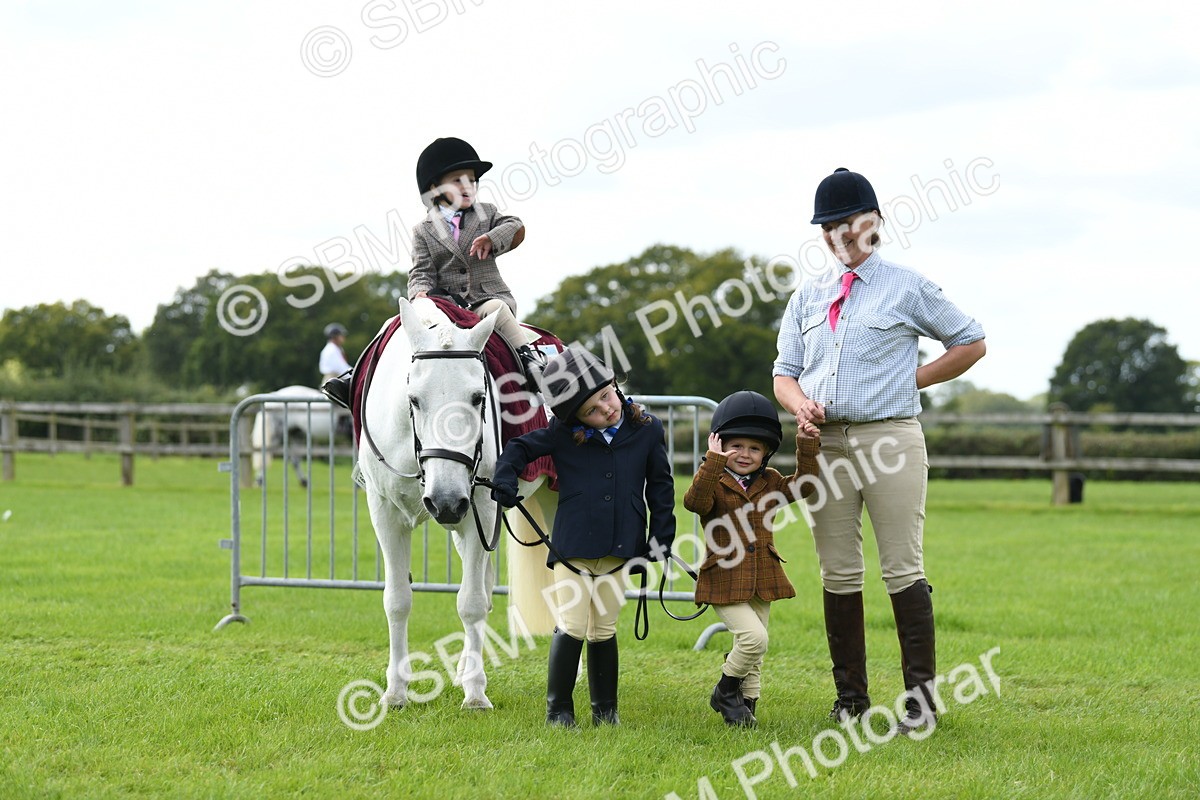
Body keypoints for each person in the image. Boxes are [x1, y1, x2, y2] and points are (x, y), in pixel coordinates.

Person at [772, 167, 986, 736]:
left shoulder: (907, 285)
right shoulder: (808, 296)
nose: (839, 235)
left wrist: (911, 379)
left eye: (848, 223)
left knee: (901, 567)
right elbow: (784, 373)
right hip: (826, 444)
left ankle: (920, 702)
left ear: (873, 224)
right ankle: (851, 699)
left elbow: (971, 341)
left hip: (889, 437)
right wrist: (798, 406)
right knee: (838, 570)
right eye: (828, 228)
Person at [490, 346, 676, 727]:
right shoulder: (562, 434)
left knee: (604, 628)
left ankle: (605, 710)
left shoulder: (647, 430)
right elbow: (520, 447)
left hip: (621, 545)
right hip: (572, 546)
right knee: (573, 624)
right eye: (592, 410)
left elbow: (661, 486)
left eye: (607, 396)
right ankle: (558, 710)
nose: (606, 409)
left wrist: (662, 536)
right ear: (575, 417)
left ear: (614, 385)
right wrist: (505, 477)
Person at [321, 136, 542, 409]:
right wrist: (420, 292)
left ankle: (530, 361)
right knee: (394, 323)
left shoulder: (487, 213)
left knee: (497, 309)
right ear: (435, 188)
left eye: (472, 181)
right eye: (458, 181)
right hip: (445, 305)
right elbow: (420, 271)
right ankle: (358, 377)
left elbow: (514, 224)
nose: (468, 187)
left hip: (483, 299)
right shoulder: (423, 230)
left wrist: (492, 239)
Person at [684, 390, 822, 728]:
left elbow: (805, 486)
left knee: (756, 652)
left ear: (767, 452)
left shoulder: (771, 481)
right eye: (736, 446)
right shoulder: (713, 480)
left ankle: (744, 710)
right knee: (754, 639)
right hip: (724, 578)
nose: (745, 454)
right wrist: (712, 461)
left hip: (763, 576)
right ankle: (724, 690)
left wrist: (806, 444)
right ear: (719, 445)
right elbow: (694, 503)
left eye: (755, 448)